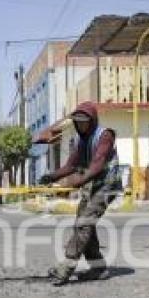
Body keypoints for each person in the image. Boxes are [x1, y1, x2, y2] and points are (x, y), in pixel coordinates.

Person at [39, 101, 121, 286]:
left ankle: (66, 268)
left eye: (84, 121)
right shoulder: (79, 140)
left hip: (108, 186)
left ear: (92, 121)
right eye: (78, 122)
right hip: (92, 185)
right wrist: (52, 176)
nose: (81, 125)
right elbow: (71, 166)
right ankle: (98, 268)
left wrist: (76, 182)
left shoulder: (105, 135)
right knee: (83, 224)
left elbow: (96, 165)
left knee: (84, 224)